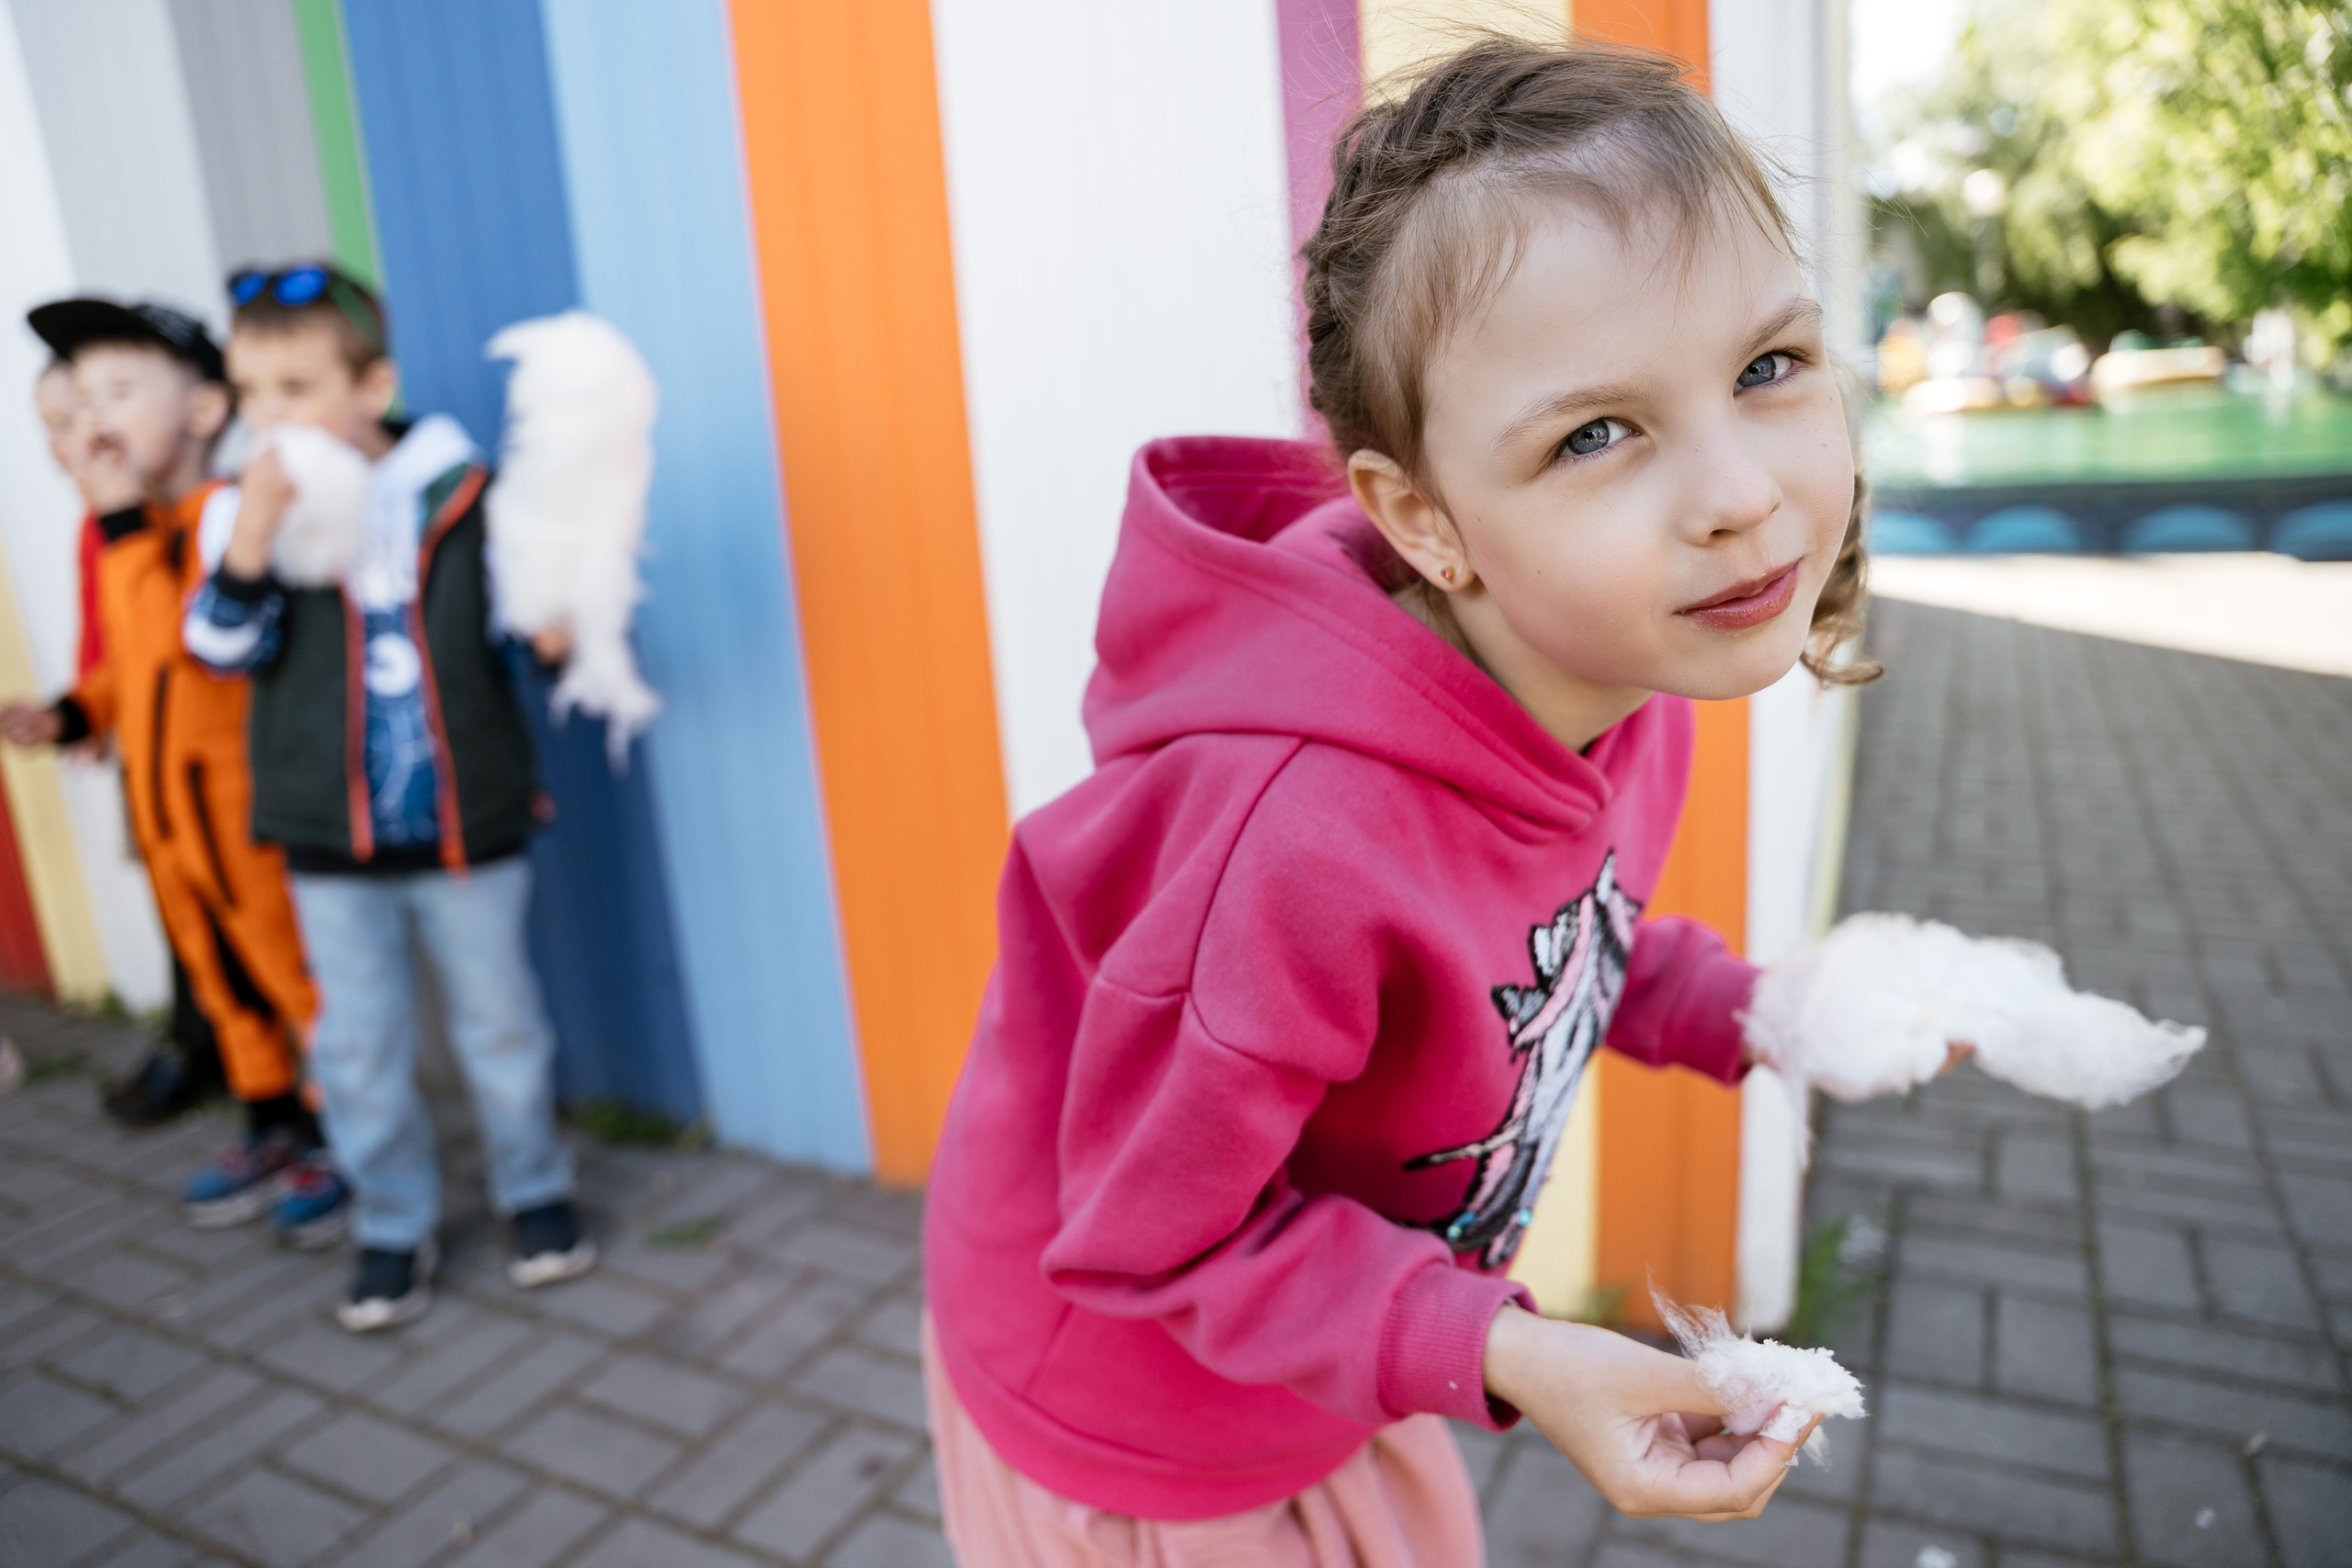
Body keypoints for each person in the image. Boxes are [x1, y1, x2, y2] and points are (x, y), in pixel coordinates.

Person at [919, 38, 1953, 1562]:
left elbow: (1554, 948)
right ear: (1423, 518)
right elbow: (1153, 1233)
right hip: (1147, 1427)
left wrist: (1758, 1009)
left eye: (1767, 366)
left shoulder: (1612, 671)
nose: (1739, 491)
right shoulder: (1291, 846)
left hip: (1326, 1355)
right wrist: (1507, 1348)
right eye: (1595, 433)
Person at [185, 263, 594, 1333]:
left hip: (466, 830)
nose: (268, 418)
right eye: (251, 392)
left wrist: (558, 636)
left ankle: (533, 1188)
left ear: (372, 387)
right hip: (328, 838)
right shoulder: (238, 510)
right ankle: (392, 1218)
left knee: (501, 1025)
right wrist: (253, 539)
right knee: (359, 1044)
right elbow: (218, 649)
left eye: (296, 389)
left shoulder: (459, 493)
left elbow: (526, 626)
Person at [4, 301, 340, 1245]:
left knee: (293, 976)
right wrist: (73, 712)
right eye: (81, 400)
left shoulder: (225, 523)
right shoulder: (137, 529)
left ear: (203, 411)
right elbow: (128, 665)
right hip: (168, 816)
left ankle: (341, 1135)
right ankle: (270, 1118)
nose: (93, 420)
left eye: (118, 393)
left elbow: (182, 647)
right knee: (219, 978)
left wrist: (117, 519)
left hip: (237, 811)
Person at [35, 357, 232, 1128]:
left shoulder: (149, 518)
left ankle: (211, 1047)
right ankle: (205, 1044)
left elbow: (158, 637)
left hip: (187, 745)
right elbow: (107, 635)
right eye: (53, 427)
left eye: (74, 421)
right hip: (133, 730)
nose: (65, 442)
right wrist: (80, 711)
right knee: (173, 891)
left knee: (212, 898)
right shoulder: (100, 522)